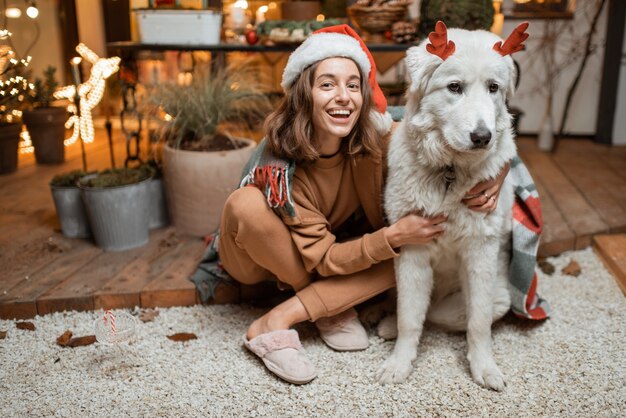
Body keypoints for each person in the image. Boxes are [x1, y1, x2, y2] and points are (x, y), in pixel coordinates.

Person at [207, 25, 511, 385]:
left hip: (334, 247)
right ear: (304, 94)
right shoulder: (280, 166)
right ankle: (291, 317)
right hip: (269, 255)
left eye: (353, 85)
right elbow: (323, 259)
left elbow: (433, 127)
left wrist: (500, 170)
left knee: (406, 255)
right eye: (327, 85)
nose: (343, 97)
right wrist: (391, 237)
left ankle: (326, 306)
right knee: (248, 205)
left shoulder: (373, 138)